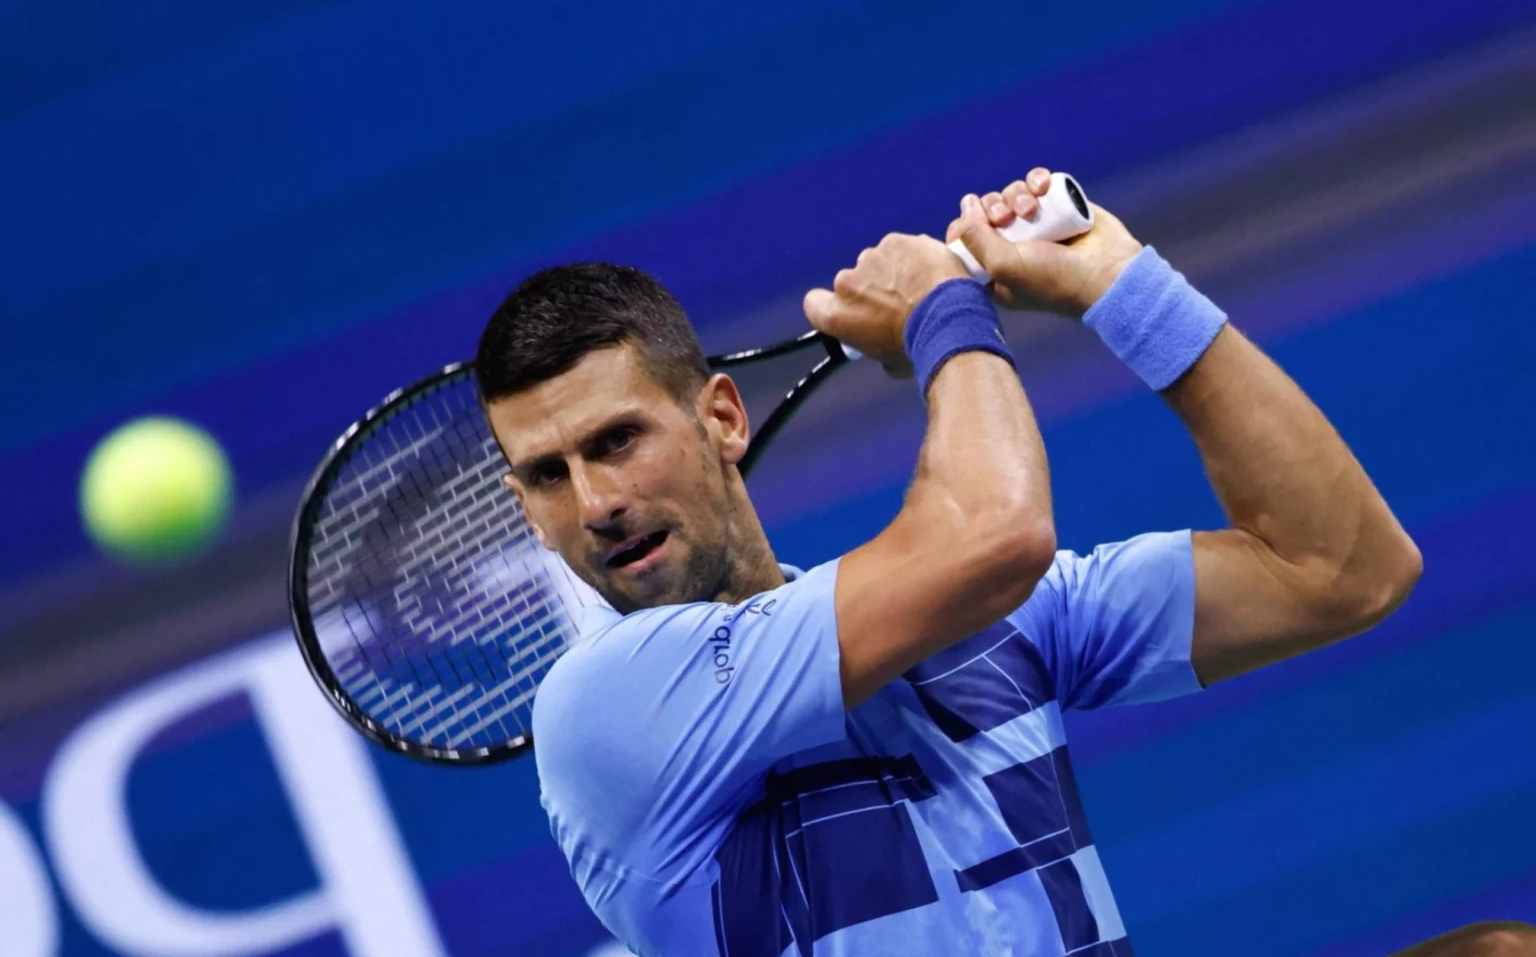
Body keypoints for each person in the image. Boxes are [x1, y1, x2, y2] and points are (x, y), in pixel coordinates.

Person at [475, 168, 1534, 956]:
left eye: (617, 442)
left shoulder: (980, 629)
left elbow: (1341, 569)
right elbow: (997, 535)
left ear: (721, 417)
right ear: (526, 510)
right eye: (549, 475)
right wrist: (945, 308)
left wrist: (1118, 284)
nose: (598, 503)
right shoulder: (606, 705)